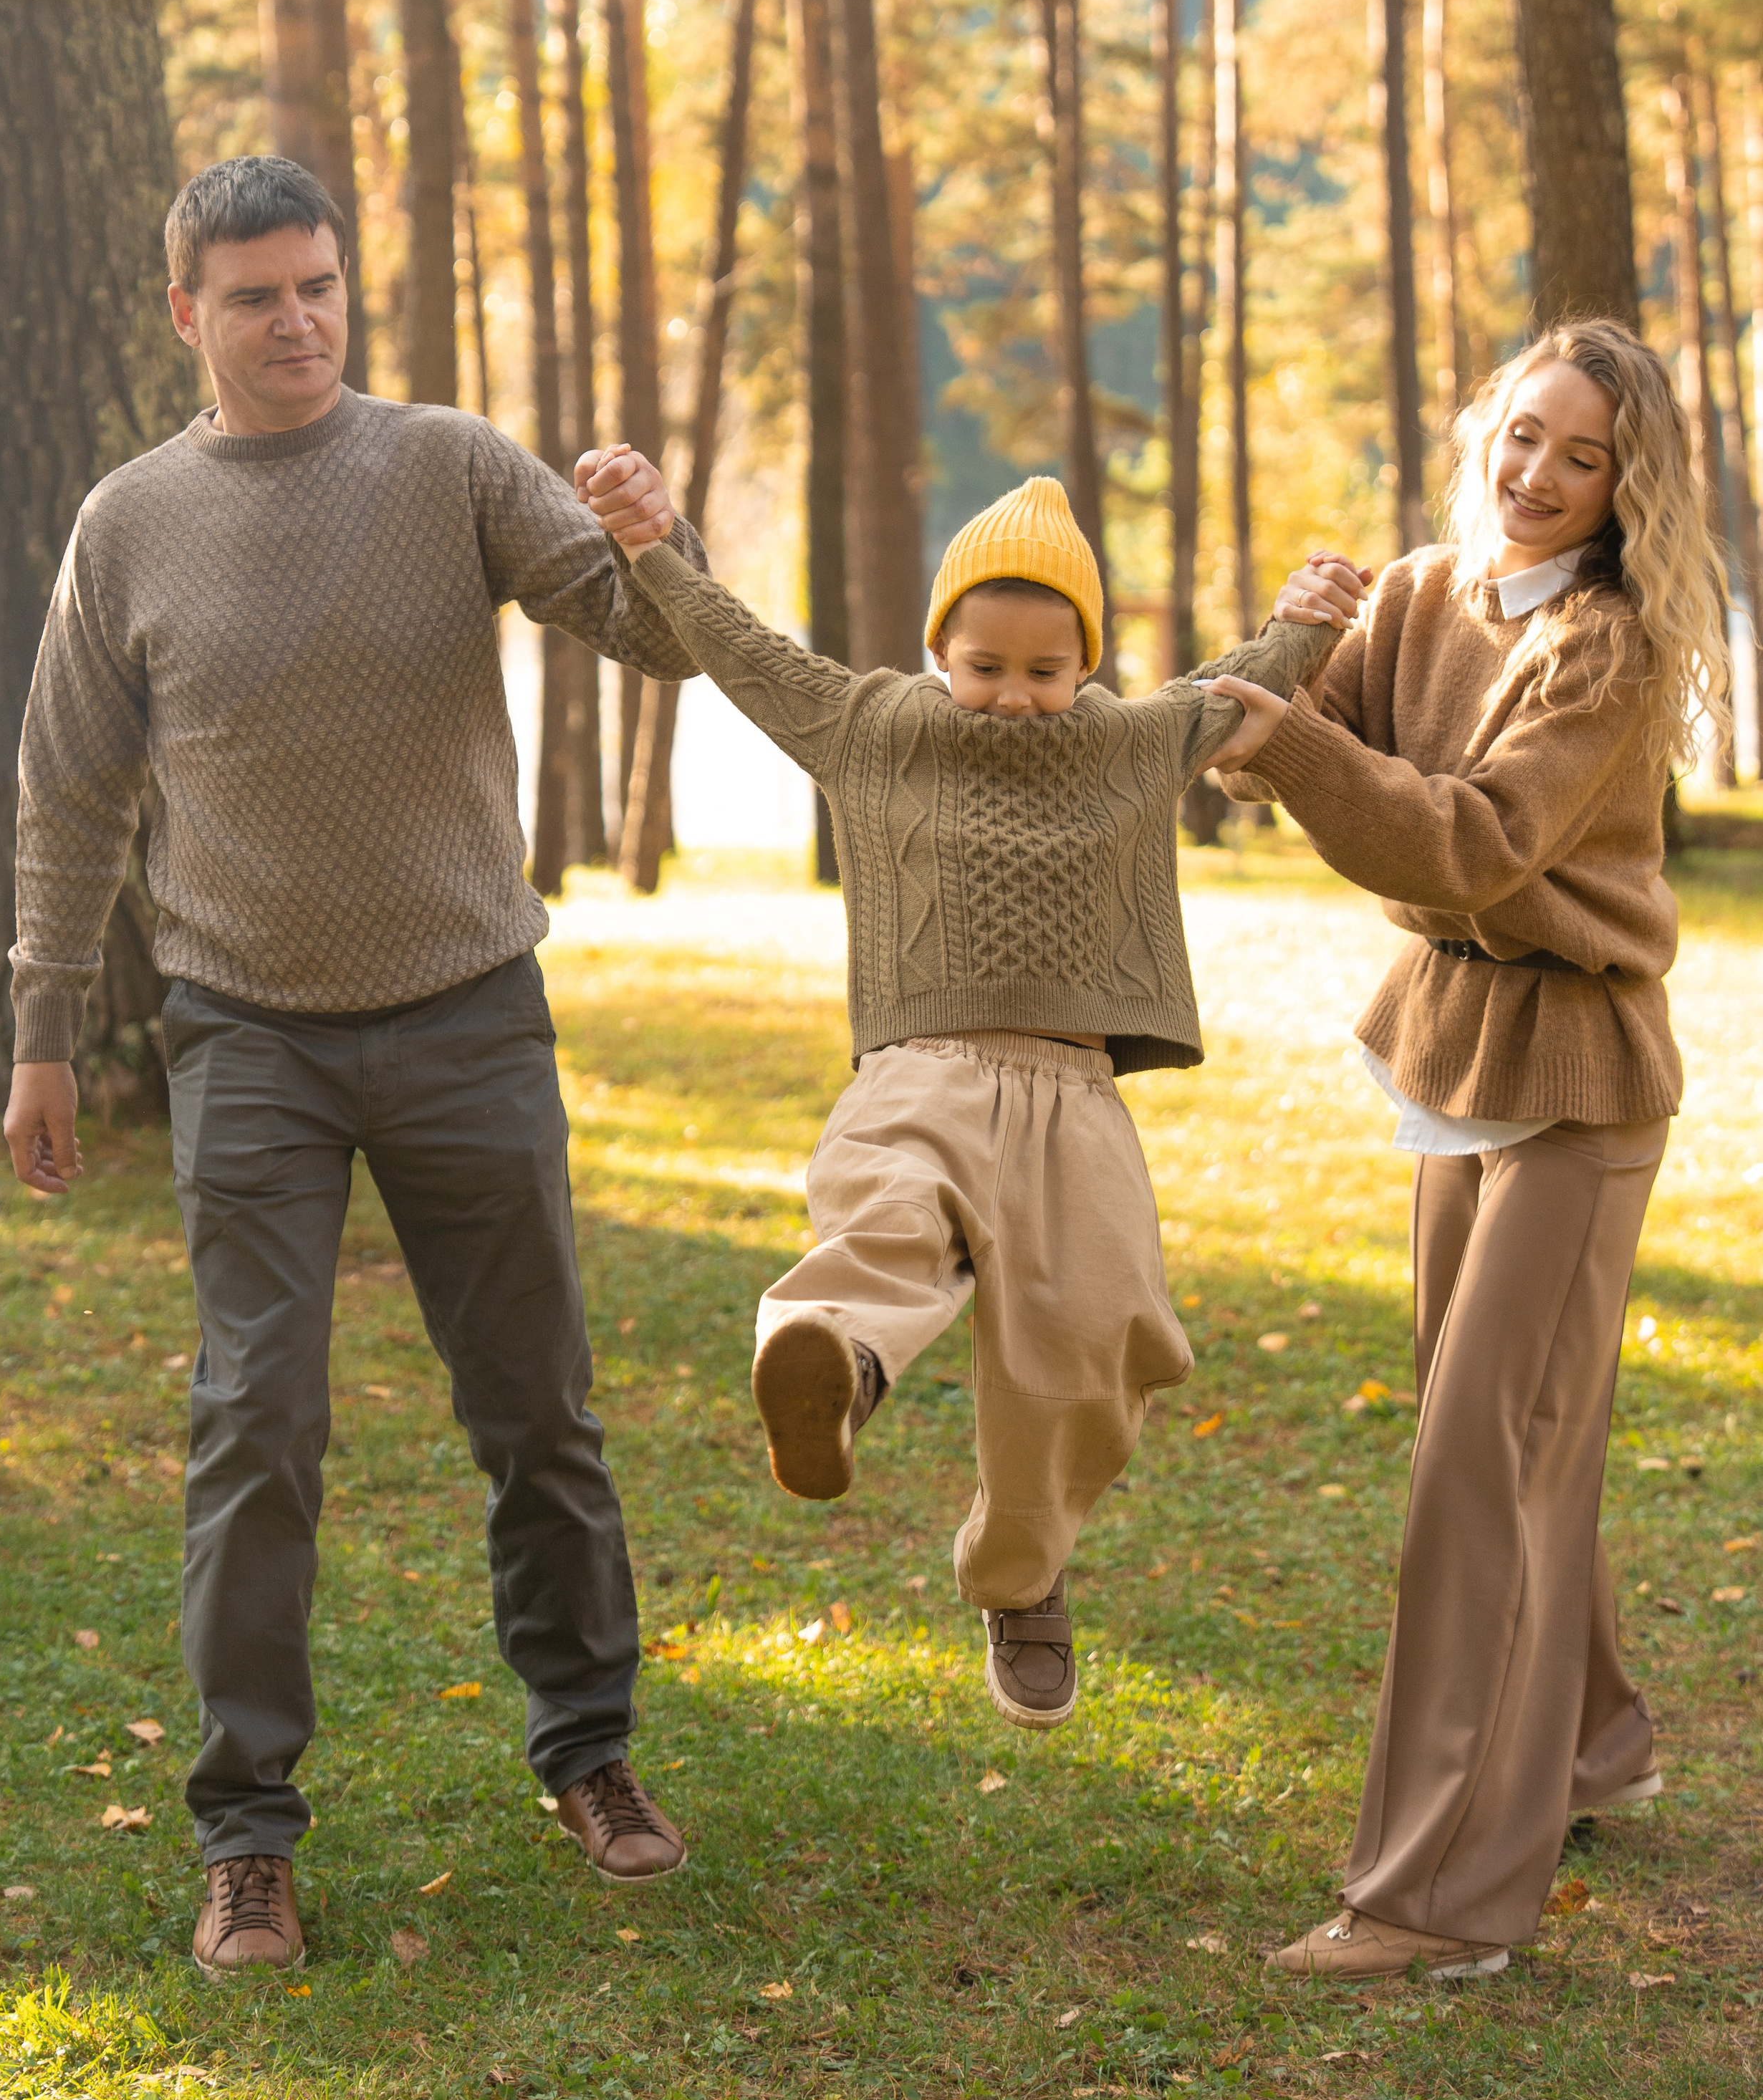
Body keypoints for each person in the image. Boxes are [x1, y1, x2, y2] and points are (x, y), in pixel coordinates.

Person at [3, 155, 702, 1976]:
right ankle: (247, 1837)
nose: (294, 320)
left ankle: (593, 1757)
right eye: (253, 295)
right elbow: (70, 792)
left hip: (469, 1004)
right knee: (258, 1426)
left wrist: (651, 533)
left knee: (535, 1410)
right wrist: (43, 1034)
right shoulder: (130, 521)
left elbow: (643, 642)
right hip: (246, 1035)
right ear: (187, 313)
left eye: (316, 285)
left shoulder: (452, 463)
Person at [580, 454, 1360, 1727]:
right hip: (923, 1067)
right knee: (890, 1205)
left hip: (1076, 1093)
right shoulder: (873, 722)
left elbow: (1241, 690)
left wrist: (1314, 614)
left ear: (1087, 665)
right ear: (939, 643)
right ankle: (830, 1356)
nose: (1011, 697)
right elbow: (741, 649)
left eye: (1046, 672)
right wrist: (653, 542)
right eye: (983, 665)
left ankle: (1023, 1573)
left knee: (1089, 1342)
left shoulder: (1125, 740)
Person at [1201, 319, 1731, 1983]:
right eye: (1522, 436)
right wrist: (1285, 646)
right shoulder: (1430, 591)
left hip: (1573, 1074)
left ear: (1623, 488)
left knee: (1474, 1473)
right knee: (1498, 1442)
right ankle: (1589, 1745)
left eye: (1581, 458)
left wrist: (1287, 742)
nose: (1537, 477)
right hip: (1450, 1046)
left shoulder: (1604, 647)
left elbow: (1481, 842)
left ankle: (1438, 1900)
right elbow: (1283, 735)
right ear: (1481, 429)